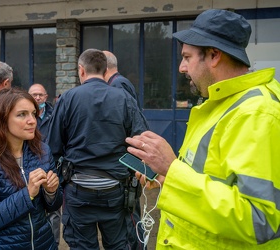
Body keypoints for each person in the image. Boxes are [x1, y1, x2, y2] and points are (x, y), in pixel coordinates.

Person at [125, 9, 280, 249]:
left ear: (214, 55)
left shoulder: (256, 113)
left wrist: (172, 169)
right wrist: (167, 178)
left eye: (187, 57)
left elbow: (259, 219)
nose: (181, 68)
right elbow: (209, 177)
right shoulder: (219, 104)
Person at [47, 48, 149, 250]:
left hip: (78, 192)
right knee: (119, 244)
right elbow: (142, 140)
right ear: (105, 71)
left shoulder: (67, 99)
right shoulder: (124, 99)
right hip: (115, 191)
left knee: (83, 245)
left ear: (81, 70)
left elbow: (53, 146)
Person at [0, 87, 63, 250]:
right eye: (22, 114)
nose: (32, 121)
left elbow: (53, 206)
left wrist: (51, 191)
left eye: (33, 114)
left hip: (43, 243)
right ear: (2, 119)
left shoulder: (42, 151)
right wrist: (27, 194)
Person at [103, 50, 145, 249]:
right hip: (126, 160)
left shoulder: (118, 85)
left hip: (127, 163)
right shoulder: (119, 83)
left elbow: (132, 124)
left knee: (131, 217)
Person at [28, 83, 61, 245]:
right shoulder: (26, 117)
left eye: (40, 95)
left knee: (53, 209)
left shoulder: (54, 115)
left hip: (50, 167)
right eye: (34, 95)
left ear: (46, 97)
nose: (38, 98)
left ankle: (53, 243)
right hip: (29, 167)